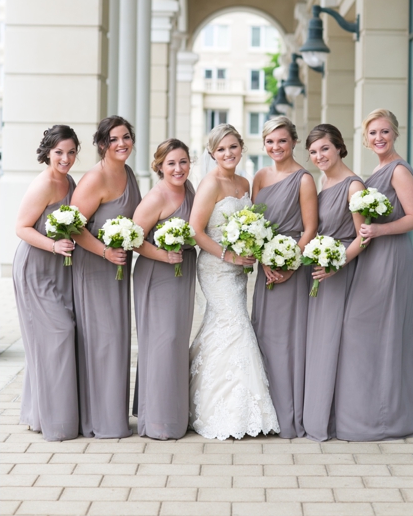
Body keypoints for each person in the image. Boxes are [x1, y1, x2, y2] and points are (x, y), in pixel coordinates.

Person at [334, 109, 413, 441]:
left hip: (391, 256)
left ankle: (388, 418)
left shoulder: (399, 170)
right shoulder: (376, 169)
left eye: (385, 132)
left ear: (395, 133)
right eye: (373, 133)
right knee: (365, 331)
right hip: (372, 257)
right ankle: (369, 411)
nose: (379, 138)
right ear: (365, 137)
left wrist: (379, 229)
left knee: (384, 332)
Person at [188, 124, 279, 440]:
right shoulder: (210, 184)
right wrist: (229, 256)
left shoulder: (243, 182)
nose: (228, 153)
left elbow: (250, 224)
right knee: (236, 325)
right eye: (221, 149)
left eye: (232, 147)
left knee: (222, 326)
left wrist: (251, 249)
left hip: (240, 269)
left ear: (241, 147)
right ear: (212, 153)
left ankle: (221, 400)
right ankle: (228, 411)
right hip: (216, 267)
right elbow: (195, 231)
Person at [71, 116, 142, 438]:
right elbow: (73, 227)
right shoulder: (94, 179)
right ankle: (98, 420)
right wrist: (105, 252)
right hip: (95, 268)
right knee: (102, 342)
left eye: (126, 137)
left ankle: (112, 417)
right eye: (115, 139)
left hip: (118, 269)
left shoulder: (129, 174)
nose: (122, 143)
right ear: (102, 144)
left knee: (117, 342)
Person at [251, 117, 318, 439]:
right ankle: (267, 414)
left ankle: (291, 415)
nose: (275, 147)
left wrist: (291, 263)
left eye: (281, 141)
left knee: (290, 341)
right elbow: (253, 224)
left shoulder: (304, 179)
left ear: (293, 143)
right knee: (264, 337)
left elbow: (310, 229)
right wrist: (263, 259)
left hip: (293, 269)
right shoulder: (260, 177)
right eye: (270, 142)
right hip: (266, 270)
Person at [13, 125, 80, 441]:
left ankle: (38, 413)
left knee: (50, 340)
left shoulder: (70, 182)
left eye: (70, 151)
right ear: (48, 152)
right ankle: (56, 420)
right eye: (59, 152)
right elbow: (22, 227)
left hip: (58, 270)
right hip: (35, 268)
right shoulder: (43, 184)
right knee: (59, 334)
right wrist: (54, 245)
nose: (65, 158)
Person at [131, 139, 196, 440]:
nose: (178, 168)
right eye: (171, 163)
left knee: (175, 340)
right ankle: (157, 420)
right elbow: (134, 238)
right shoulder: (157, 197)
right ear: (159, 166)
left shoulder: (190, 190)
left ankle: (173, 414)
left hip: (182, 273)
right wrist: (163, 255)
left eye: (183, 161)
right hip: (157, 272)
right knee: (162, 341)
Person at [303, 124, 366, 441]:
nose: (319, 156)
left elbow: (363, 238)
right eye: (313, 152)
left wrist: (335, 263)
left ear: (339, 147)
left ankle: (331, 420)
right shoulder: (323, 180)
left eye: (324, 149)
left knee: (331, 343)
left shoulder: (354, 187)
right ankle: (319, 415)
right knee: (321, 343)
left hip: (338, 272)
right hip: (321, 270)